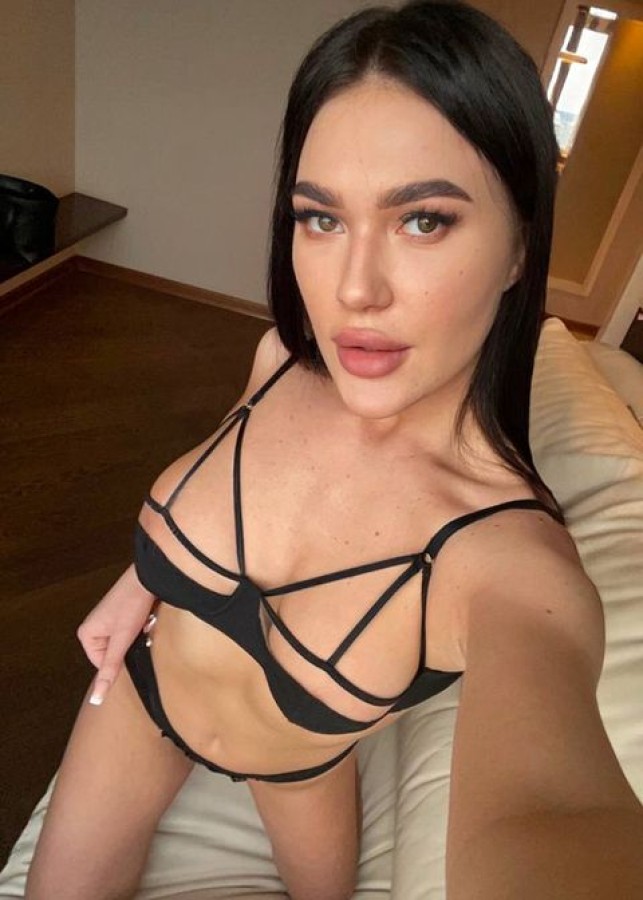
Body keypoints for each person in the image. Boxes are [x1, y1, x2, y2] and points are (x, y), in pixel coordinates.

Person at [25, 2, 643, 898]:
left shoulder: (509, 564)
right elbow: (217, 481)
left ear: (518, 246)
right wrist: (138, 586)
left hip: (298, 772)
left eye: (422, 220)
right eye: (320, 219)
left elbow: (551, 817)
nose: (353, 289)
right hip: (137, 697)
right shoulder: (279, 359)